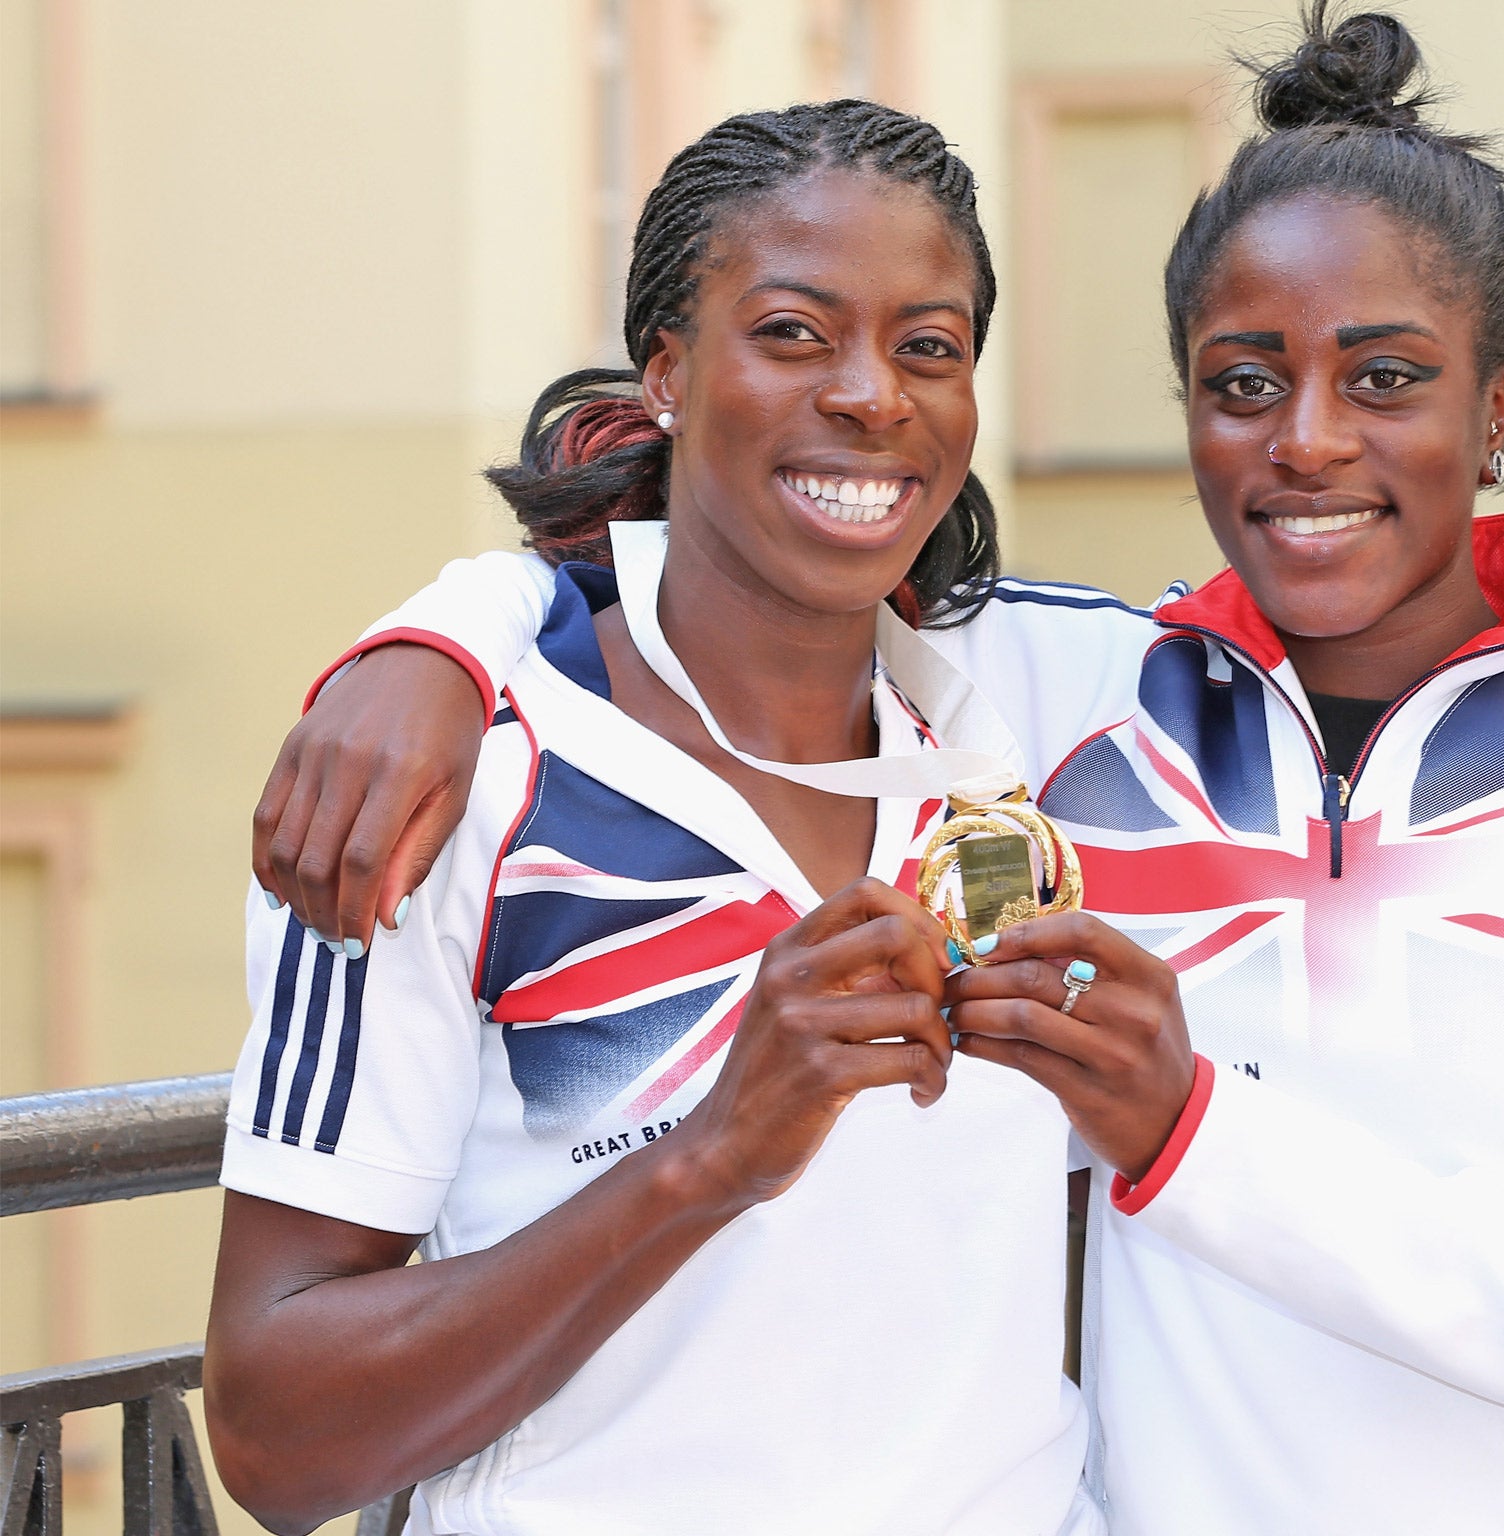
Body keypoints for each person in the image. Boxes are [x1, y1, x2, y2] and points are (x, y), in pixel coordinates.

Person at [246, 11, 1504, 1536]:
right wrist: (442, 639)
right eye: (1242, 384)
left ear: (1497, 410)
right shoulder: (1058, 706)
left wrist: (1190, 1129)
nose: (1308, 442)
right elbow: (752, 550)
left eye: (1390, 378)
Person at [205, 100, 1102, 1536]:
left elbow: (1352, 630)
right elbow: (272, 1436)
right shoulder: (447, 790)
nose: (874, 394)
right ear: (669, 372)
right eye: (795, 333)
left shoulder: (1031, 724)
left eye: (928, 346)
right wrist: (710, 1156)